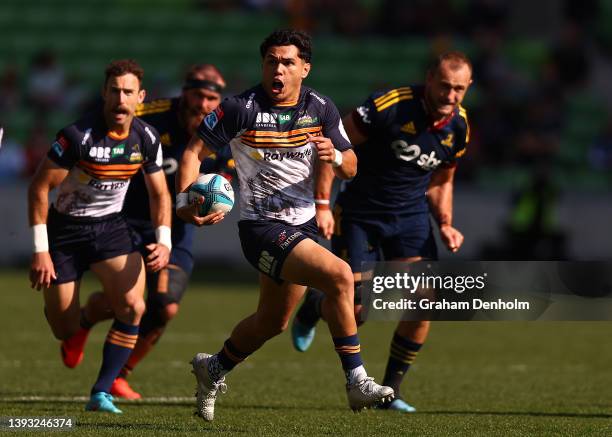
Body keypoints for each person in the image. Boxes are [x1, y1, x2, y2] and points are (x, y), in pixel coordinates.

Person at [175, 29, 394, 422]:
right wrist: (184, 202)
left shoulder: (321, 108)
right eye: (271, 61)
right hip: (260, 227)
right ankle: (356, 380)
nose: (278, 68)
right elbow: (194, 151)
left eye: (288, 62)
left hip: (303, 225)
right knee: (341, 276)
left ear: (304, 68)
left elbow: (352, 164)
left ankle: (212, 369)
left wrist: (336, 157)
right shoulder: (239, 108)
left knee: (272, 322)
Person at [292, 51, 473, 413]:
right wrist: (323, 205)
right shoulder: (389, 105)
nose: (449, 96)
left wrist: (446, 223)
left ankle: (390, 391)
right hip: (360, 214)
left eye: (458, 89)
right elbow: (335, 146)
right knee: (357, 310)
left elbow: (442, 179)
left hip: (411, 219)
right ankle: (315, 305)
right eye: (444, 86)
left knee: (425, 301)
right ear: (429, 79)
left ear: (468, 89)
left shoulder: (460, 127)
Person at [59, 64, 232, 400]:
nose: (204, 103)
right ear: (185, 92)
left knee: (165, 306)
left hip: (177, 228)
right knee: (125, 300)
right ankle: (82, 324)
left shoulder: (221, 131)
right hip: (125, 218)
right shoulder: (150, 116)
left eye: (212, 97)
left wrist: (213, 208)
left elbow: (223, 183)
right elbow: (105, 125)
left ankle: (121, 373)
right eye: (199, 94)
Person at [28, 59, 172, 413]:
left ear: (141, 97)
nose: (120, 99)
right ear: (103, 93)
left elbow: (159, 194)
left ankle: (101, 391)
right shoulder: (77, 136)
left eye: (128, 92)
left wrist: (164, 240)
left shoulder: (147, 137)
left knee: (134, 306)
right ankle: (80, 323)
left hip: (110, 229)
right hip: (65, 233)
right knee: (64, 327)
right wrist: (40, 251)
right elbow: (38, 189)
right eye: (114, 91)